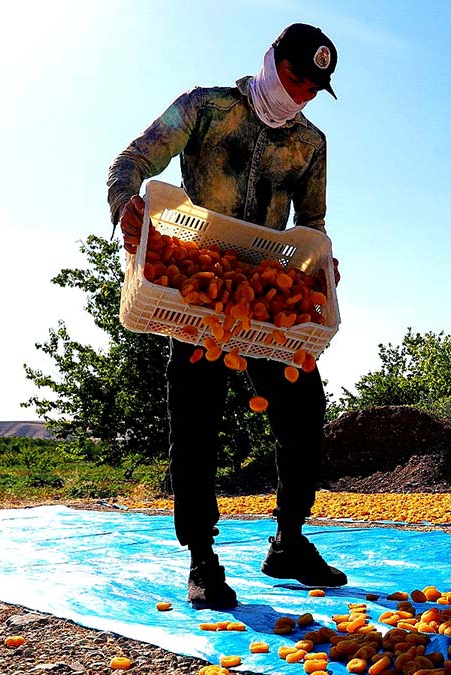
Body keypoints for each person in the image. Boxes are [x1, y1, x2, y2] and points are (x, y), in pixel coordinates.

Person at [107, 23, 347, 609]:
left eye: (314, 90)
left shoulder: (309, 145)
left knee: (305, 410)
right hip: (198, 292)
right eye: (295, 80)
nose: (301, 96)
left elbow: (311, 226)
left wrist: (321, 266)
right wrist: (126, 204)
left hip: (264, 296)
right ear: (270, 62)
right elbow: (133, 159)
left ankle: (288, 541)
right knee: (195, 420)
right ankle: (202, 558)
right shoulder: (208, 109)